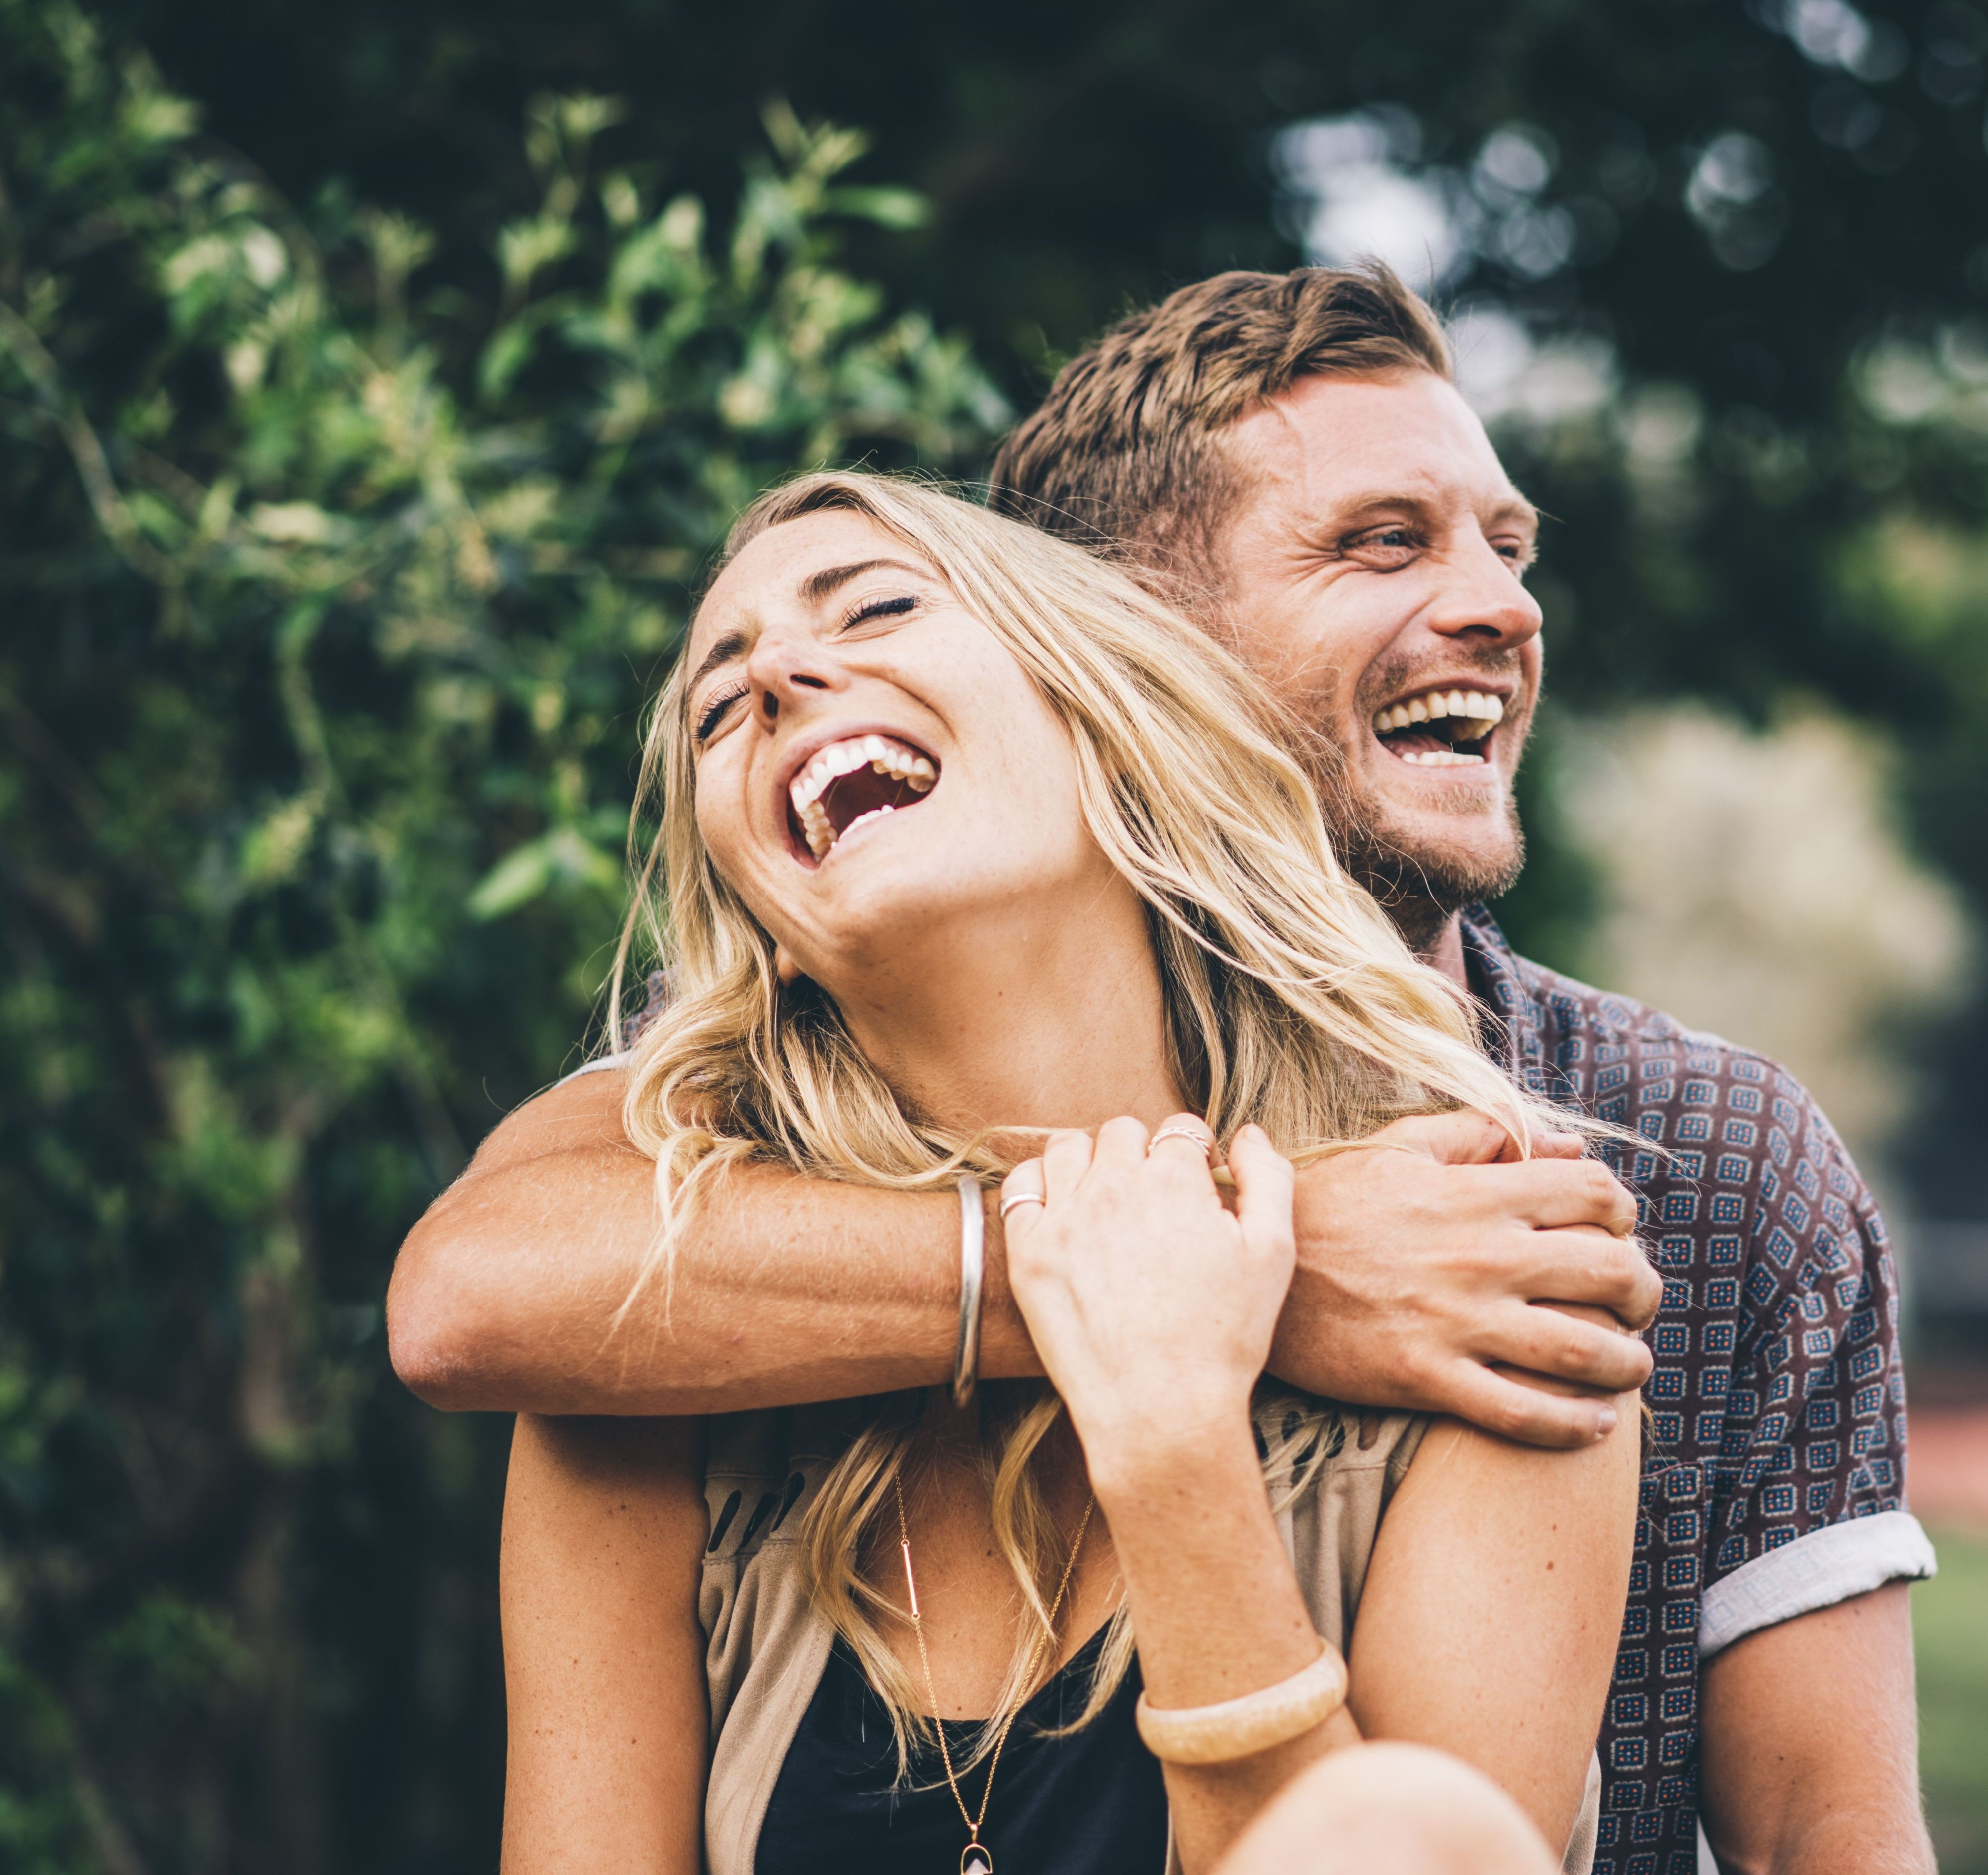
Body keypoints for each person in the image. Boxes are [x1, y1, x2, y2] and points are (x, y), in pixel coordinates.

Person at [390, 265, 1938, 1874]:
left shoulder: (1626, 1177)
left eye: (1506, 545)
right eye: (1380, 542)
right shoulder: (691, 1228)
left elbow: (1827, 1838)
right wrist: (1201, 1268)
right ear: (1130, 655)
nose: (1505, 605)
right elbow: (471, 1293)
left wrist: (1174, 1418)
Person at [497, 470, 1639, 1875]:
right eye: (719, 707)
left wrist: (1172, 1450)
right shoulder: (652, 1368)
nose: (782, 676)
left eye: (880, 607)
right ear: (768, 920)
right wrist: (1098, 1279)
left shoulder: (1491, 1270)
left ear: (1108, 723)